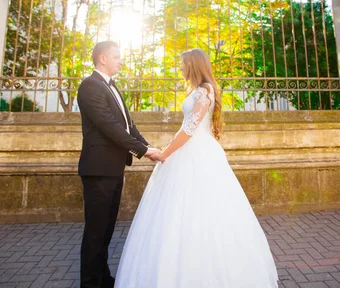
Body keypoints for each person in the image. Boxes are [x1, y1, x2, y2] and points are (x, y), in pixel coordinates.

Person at [115, 48, 278, 288]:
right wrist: (169, 150)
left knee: (205, 211)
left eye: (183, 64)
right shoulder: (197, 90)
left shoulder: (205, 90)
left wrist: (164, 153)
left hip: (197, 154)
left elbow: (190, 129)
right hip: (189, 151)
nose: (180, 68)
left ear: (193, 65)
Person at [77, 41, 161, 288]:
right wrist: (143, 152)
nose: (120, 61)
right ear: (102, 58)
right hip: (98, 169)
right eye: (116, 56)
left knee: (106, 230)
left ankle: (103, 278)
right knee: (95, 231)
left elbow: (128, 125)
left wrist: (149, 147)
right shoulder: (90, 86)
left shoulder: (112, 86)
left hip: (113, 168)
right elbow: (108, 126)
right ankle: (91, 283)